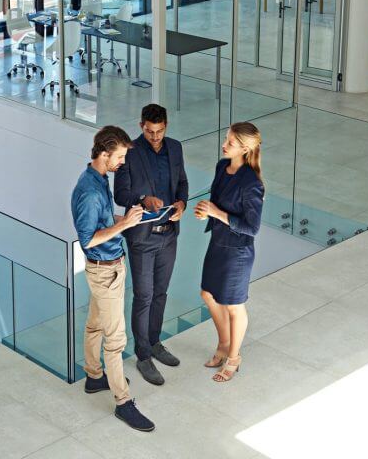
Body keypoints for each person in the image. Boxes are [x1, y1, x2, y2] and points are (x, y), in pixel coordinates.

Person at [71, 125, 155, 432]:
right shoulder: (91, 192)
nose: (121, 162)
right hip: (105, 268)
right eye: (118, 156)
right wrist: (122, 227)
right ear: (104, 153)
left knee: (95, 323)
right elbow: (88, 238)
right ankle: (123, 401)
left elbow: (104, 221)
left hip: (105, 268)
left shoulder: (97, 178)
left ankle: (94, 377)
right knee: (116, 339)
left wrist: (129, 218)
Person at [114, 104, 188, 386]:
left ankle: (155, 342)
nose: (155, 137)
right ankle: (143, 355)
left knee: (160, 293)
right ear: (141, 125)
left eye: (159, 131)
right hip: (143, 238)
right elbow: (120, 193)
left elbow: (182, 182)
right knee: (143, 296)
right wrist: (144, 197)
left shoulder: (175, 148)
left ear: (166, 126)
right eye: (149, 131)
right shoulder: (130, 152)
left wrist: (182, 202)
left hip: (169, 233)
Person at [194, 122, 264, 383]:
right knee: (208, 294)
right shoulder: (221, 167)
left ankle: (234, 357)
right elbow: (216, 204)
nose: (224, 145)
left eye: (230, 142)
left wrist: (216, 213)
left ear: (244, 149)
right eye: (226, 138)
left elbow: (252, 228)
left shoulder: (252, 183)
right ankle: (224, 344)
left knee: (234, 305)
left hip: (238, 251)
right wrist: (206, 213)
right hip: (218, 242)